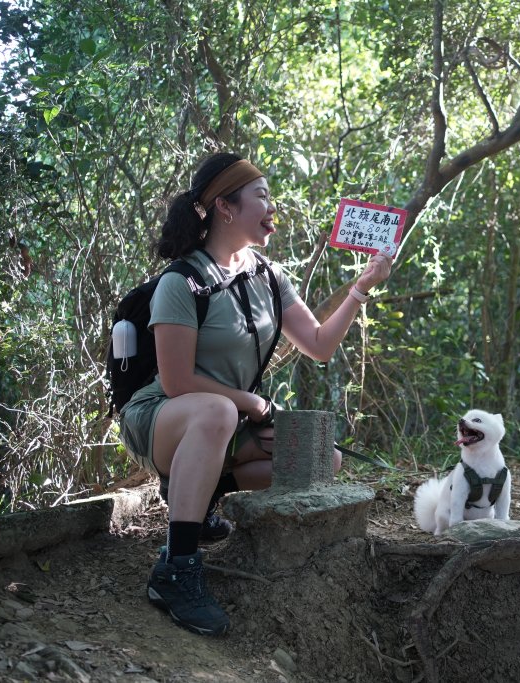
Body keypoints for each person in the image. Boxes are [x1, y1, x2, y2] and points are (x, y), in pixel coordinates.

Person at [117, 153, 392, 636]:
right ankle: (176, 567)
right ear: (225, 206)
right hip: (165, 417)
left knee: (320, 461)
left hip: (224, 423)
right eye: (261, 196)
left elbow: (319, 346)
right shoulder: (181, 283)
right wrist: (253, 404)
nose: (272, 207)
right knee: (217, 411)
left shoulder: (267, 276)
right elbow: (179, 382)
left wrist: (361, 289)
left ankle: (202, 498)